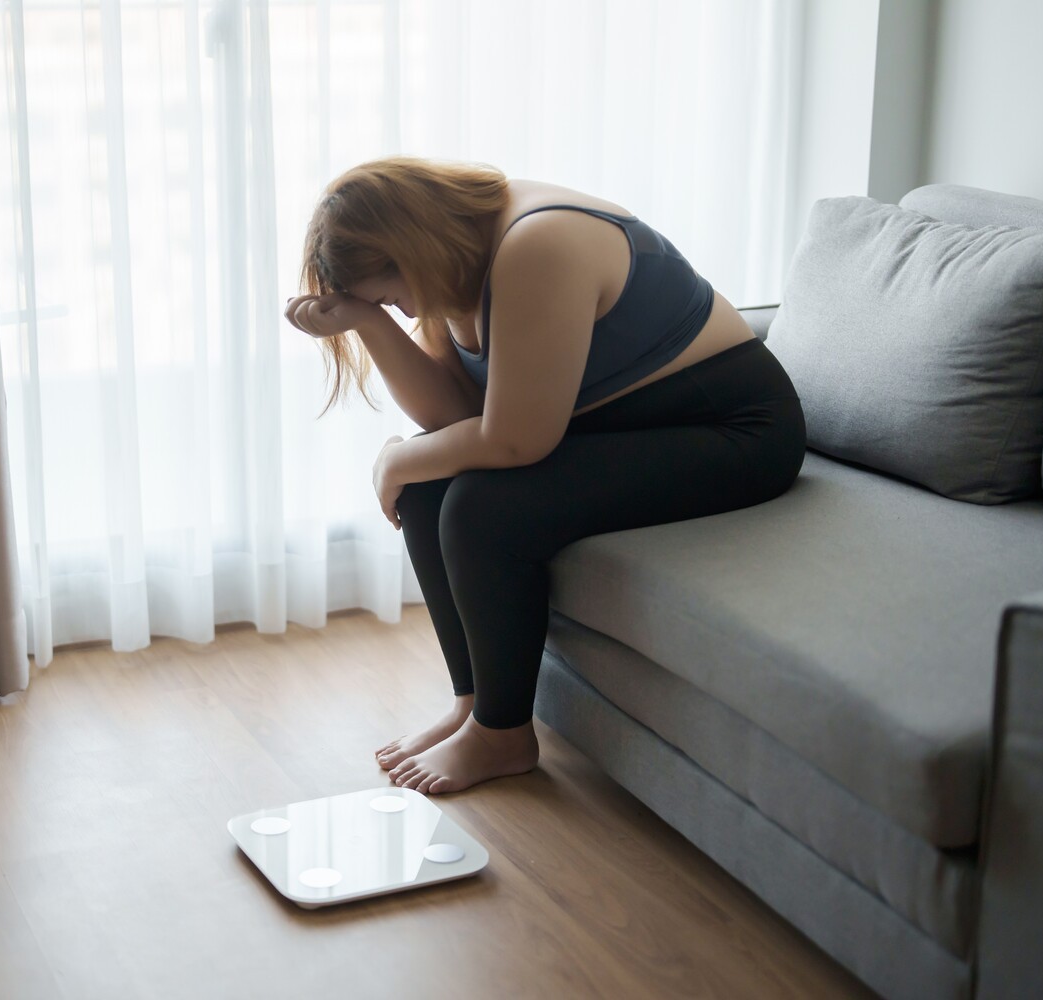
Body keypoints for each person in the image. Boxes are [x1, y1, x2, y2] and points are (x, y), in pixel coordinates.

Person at [284, 156, 805, 795]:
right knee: (430, 485)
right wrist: (369, 321)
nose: (402, 306)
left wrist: (394, 458)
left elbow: (515, 439)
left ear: (409, 246)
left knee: (480, 504)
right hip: (627, 425)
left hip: (735, 429)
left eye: (391, 295)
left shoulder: (537, 243)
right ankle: (472, 702)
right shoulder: (456, 255)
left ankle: (503, 736)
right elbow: (457, 414)